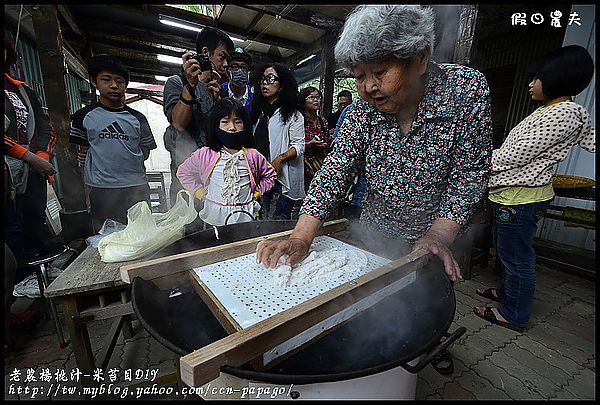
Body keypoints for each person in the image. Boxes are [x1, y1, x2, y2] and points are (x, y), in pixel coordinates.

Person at [255, 5, 493, 375]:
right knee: (375, 306)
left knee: (423, 306)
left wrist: (438, 235)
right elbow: (335, 171)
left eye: (380, 72)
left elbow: (469, 175)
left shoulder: (466, 91)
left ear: (421, 58)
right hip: (377, 230)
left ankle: (425, 347)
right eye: (359, 76)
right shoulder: (362, 111)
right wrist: (301, 237)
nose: (367, 87)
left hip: (438, 232)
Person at [473, 45, 595, 332]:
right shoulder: (548, 110)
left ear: (558, 79)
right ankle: (507, 294)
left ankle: (514, 313)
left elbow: (517, 154)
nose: (530, 84)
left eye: (536, 78)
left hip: (521, 198)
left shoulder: (564, 114)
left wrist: (474, 159)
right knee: (507, 252)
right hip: (513, 195)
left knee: (516, 257)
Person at [69, 54, 157, 232]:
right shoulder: (83, 116)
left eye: (120, 81)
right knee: (107, 236)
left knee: (143, 233)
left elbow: (145, 151)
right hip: (103, 189)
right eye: (106, 80)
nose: (114, 86)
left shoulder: (138, 118)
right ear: (94, 81)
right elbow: (82, 150)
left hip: (136, 187)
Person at [176, 98, 276, 226]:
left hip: (245, 216)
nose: (232, 128)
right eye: (225, 122)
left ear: (245, 125)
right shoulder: (204, 154)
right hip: (214, 216)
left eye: (238, 122)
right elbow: (183, 172)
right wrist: (200, 193)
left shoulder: (253, 155)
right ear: (215, 125)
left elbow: (270, 175)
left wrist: (257, 193)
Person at [163, 27, 234, 206]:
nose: (225, 64)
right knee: (188, 228)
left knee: (215, 226)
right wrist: (191, 86)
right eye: (222, 56)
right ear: (205, 52)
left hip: (215, 174)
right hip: (186, 175)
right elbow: (178, 123)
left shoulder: (218, 91)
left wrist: (219, 102)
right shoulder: (177, 82)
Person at [4, 33, 57, 263]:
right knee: (11, 226)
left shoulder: (23, 90)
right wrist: (26, 156)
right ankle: (20, 277)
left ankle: (39, 273)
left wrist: (41, 156)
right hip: (7, 170)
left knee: (34, 218)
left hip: (33, 168)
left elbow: (46, 126)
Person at [250, 63, 305, 220]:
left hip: (282, 177)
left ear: (282, 86)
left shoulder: (293, 115)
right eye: (262, 80)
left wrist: (280, 159)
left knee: (278, 220)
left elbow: (299, 146)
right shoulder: (259, 114)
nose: (264, 83)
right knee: (263, 215)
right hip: (261, 174)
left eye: (270, 79)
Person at [299, 86, 330, 190]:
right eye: (311, 97)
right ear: (304, 101)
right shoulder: (299, 121)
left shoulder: (323, 121)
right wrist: (309, 144)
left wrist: (323, 144)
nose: (316, 100)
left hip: (318, 165)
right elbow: (292, 144)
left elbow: (326, 141)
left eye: (317, 97)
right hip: (302, 166)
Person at [220, 47, 254, 116]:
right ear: (227, 71)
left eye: (244, 68)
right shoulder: (220, 92)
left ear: (248, 72)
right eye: (235, 67)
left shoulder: (254, 95)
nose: (240, 71)